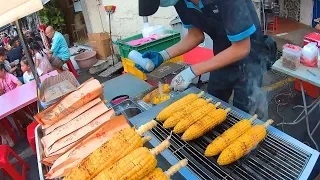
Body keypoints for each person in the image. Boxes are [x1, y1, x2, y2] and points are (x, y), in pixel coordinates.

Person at [137, 0, 275, 114]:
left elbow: (242, 48)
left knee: (244, 111)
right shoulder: (180, 2)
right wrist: (163, 55)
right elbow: (195, 35)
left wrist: (193, 70)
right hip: (221, 56)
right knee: (212, 102)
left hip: (250, 58)